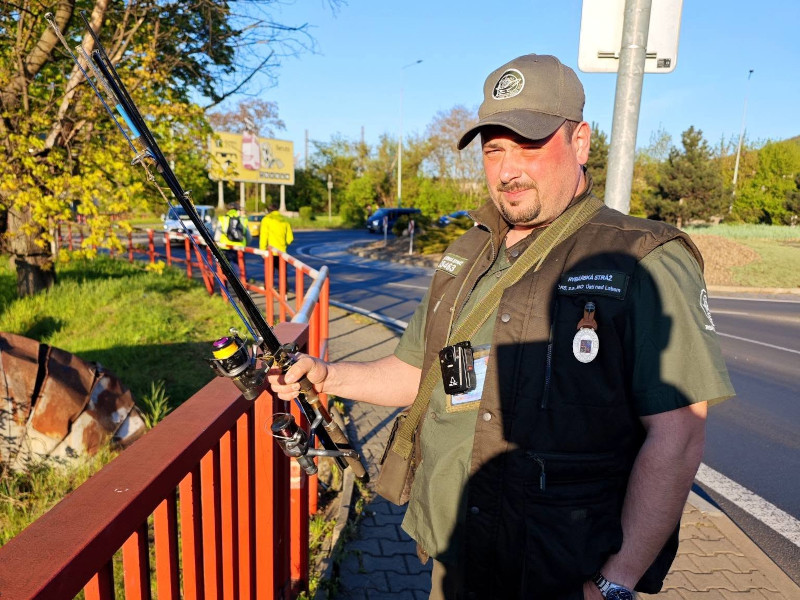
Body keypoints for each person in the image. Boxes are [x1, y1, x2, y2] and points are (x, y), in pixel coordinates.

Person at [267, 54, 734, 600]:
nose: (508, 170)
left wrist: (615, 582)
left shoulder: (641, 258)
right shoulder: (468, 253)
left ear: (580, 142)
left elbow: (678, 433)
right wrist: (327, 375)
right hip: (458, 552)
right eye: (494, 150)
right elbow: (421, 373)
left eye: (528, 145)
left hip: (562, 571)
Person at [215, 204, 250, 285]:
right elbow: (248, 237)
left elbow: (217, 236)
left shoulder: (223, 219)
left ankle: (225, 288)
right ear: (237, 210)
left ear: (227, 210)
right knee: (240, 268)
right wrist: (245, 245)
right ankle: (243, 287)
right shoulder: (243, 220)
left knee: (224, 269)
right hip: (239, 248)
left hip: (224, 248)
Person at [259, 206, 294, 273]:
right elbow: (290, 239)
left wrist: (262, 250)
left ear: (268, 211)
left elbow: (264, 236)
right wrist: (283, 243)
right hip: (282, 252)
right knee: (282, 274)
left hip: (270, 252)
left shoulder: (266, 219)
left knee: (269, 274)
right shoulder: (284, 219)